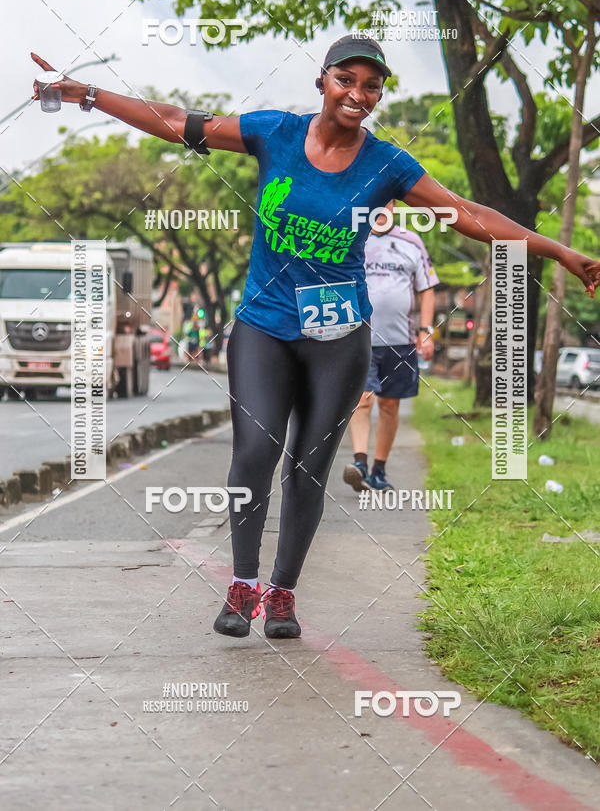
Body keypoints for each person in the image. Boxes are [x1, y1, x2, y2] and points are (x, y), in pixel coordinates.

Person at [31, 36, 600, 641]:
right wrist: (86, 94)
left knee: (307, 468)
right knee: (255, 451)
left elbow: (469, 213)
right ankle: (243, 584)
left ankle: (282, 593)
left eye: (371, 86)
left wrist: (560, 251)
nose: (358, 94)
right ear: (323, 81)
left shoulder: (387, 165)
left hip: (339, 336)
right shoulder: (274, 132)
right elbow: (175, 121)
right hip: (264, 326)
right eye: (345, 80)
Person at [344, 206, 438, 492]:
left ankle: (379, 471)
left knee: (389, 405)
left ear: (394, 206)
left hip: (401, 340)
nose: (381, 208)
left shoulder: (411, 241)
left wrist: (426, 331)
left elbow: (427, 289)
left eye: (387, 202)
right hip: (359, 337)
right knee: (362, 398)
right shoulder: (352, 237)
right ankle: (360, 462)